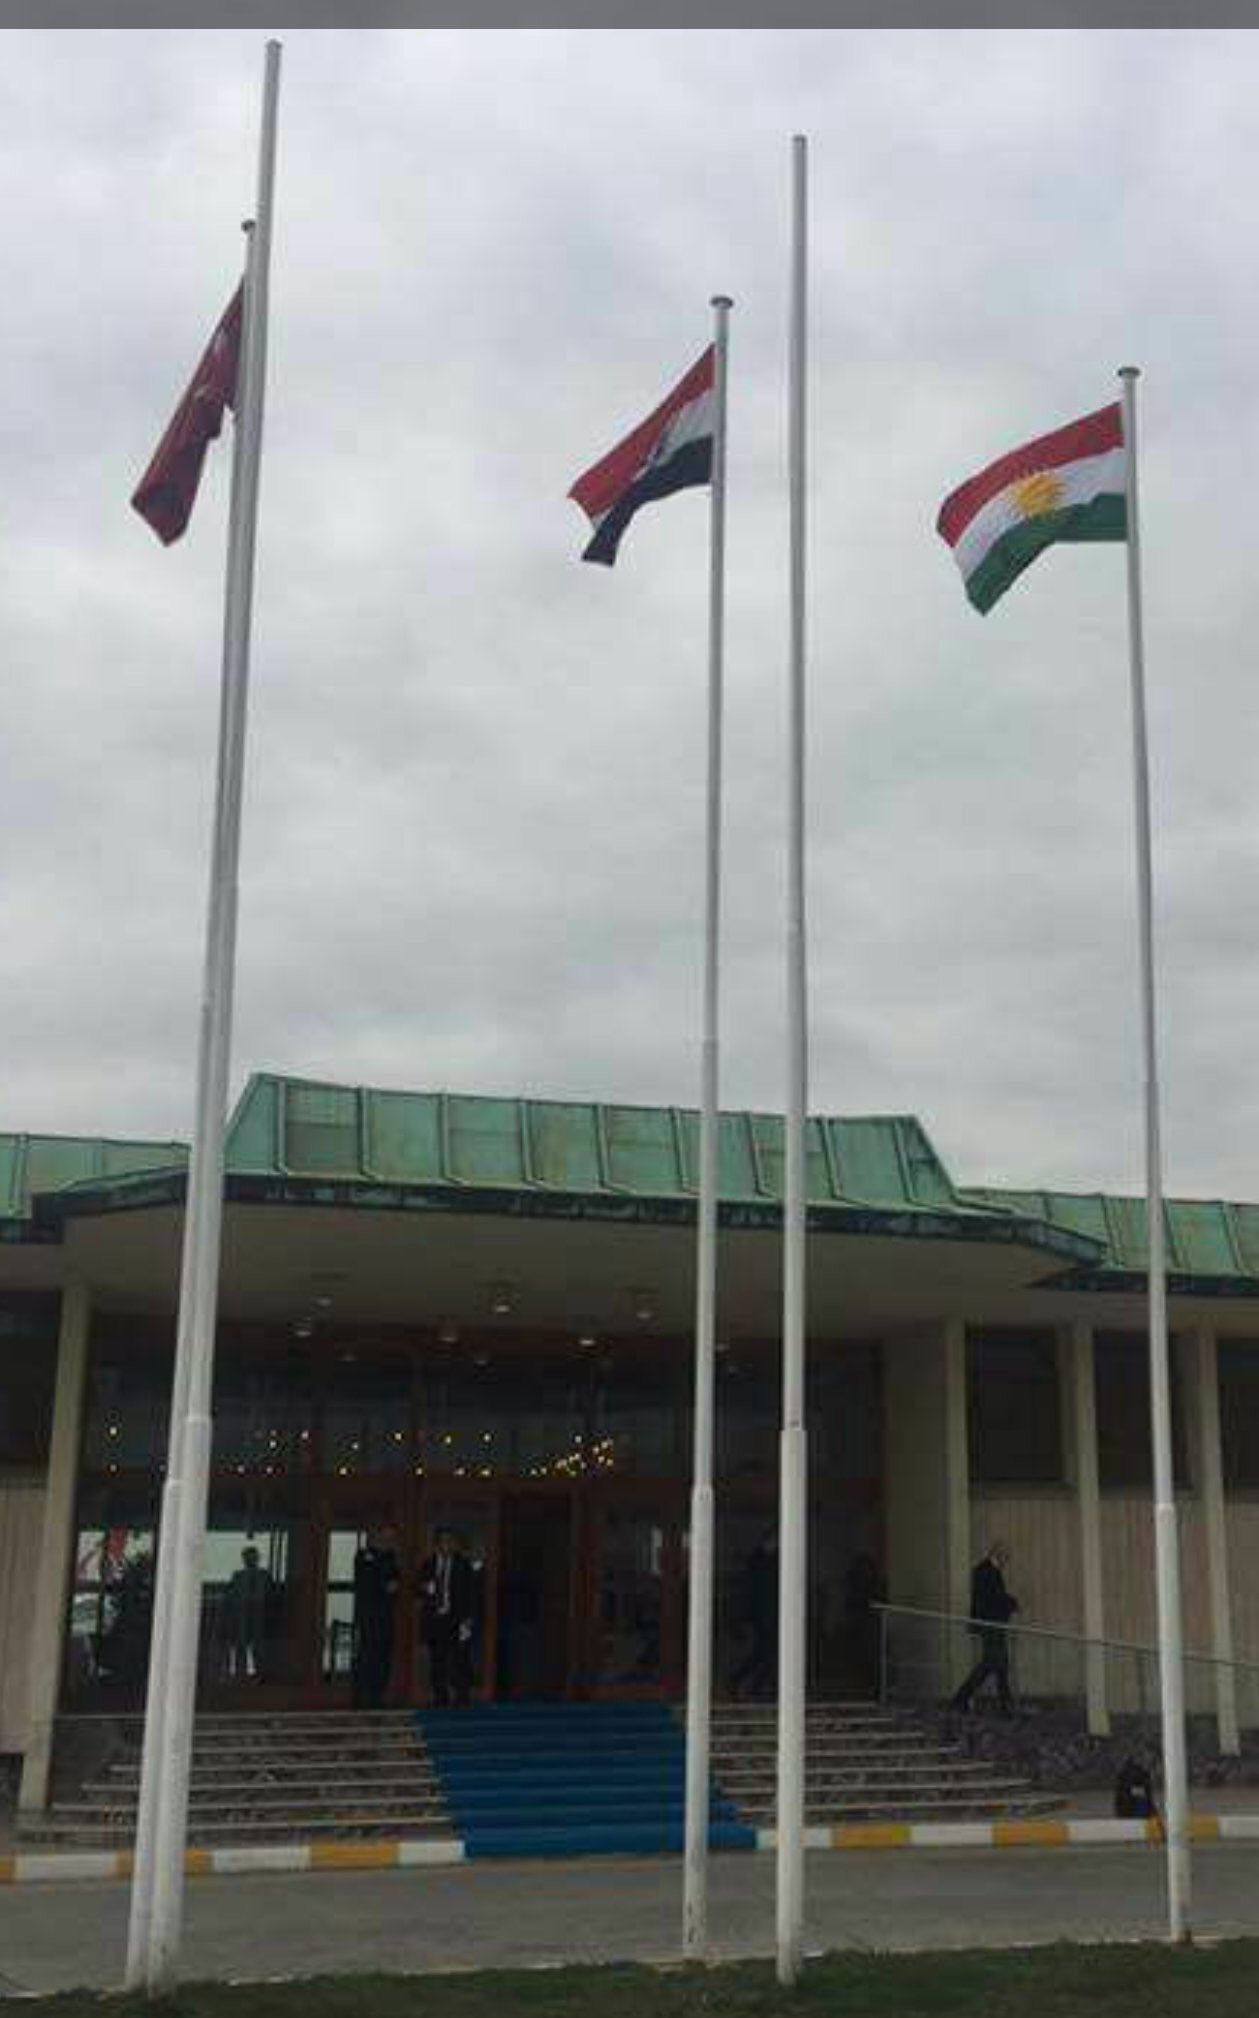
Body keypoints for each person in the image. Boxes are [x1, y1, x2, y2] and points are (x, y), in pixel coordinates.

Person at [951, 1540, 1019, 1715]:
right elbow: (991, 1598)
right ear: (997, 1554)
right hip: (990, 1624)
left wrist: (1008, 1603)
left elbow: (993, 1597)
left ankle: (1004, 1705)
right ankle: (962, 1698)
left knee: (998, 1664)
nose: (1006, 1561)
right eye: (1005, 1557)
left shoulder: (988, 1571)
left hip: (992, 1624)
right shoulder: (985, 1572)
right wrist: (1010, 1603)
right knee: (992, 1664)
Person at [417, 1527, 475, 1707]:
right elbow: (417, 1589)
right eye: (444, 1541)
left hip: (458, 1619)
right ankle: (440, 1697)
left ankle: (462, 1696)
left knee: (460, 1658)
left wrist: (469, 1618)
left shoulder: (463, 1565)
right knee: (438, 1660)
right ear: (437, 1544)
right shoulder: (428, 1564)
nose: (448, 1544)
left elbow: (472, 1593)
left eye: (451, 1541)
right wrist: (424, 1588)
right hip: (436, 1619)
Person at [352, 1523, 401, 1710]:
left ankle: (377, 1695)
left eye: (392, 1538)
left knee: (383, 1656)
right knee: (366, 1655)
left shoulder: (391, 1557)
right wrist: (384, 1585)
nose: (389, 1541)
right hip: (368, 1615)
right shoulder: (364, 1555)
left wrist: (389, 1585)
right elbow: (366, 1581)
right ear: (377, 1537)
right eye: (386, 1537)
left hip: (386, 1615)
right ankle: (361, 1695)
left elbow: (395, 1582)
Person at [731, 1529, 778, 1701]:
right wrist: (744, 1618)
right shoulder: (758, 1563)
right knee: (764, 1653)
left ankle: (754, 1684)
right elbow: (751, 1592)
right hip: (762, 1616)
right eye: (774, 1541)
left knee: (768, 1653)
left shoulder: (773, 1561)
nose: (776, 1545)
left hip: (770, 1615)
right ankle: (745, 1681)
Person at [223, 1544, 274, 1681]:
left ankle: (260, 1673)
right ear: (244, 1559)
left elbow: (271, 1596)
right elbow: (230, 1595)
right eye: (248, 1557)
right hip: (242, 1613)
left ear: (257, 1558)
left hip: (260, 1614)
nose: (250, 1560)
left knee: (259, 1645)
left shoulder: (264, 1575)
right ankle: (240, 1673)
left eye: (253, 1557)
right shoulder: (238, 1576)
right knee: (241, 1644)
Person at [844, 1552, 888, 1700]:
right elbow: (850, 1604)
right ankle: (864, 1686)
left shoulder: (877, 1584)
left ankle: (875, 1688)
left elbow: (881, 1602)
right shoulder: (854, 1586)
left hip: (874, 1625)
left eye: (867, 1569)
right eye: (862, 1569)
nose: (865, 1572)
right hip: (860, 1625)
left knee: (875, 1657)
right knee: (862, 1656)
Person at [1114, 1747, 1159, 1821]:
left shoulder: (1136, 1772)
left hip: (1127, 1808)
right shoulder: (1137, 1774)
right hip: (1132, 1810)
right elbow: (1132, 1791)